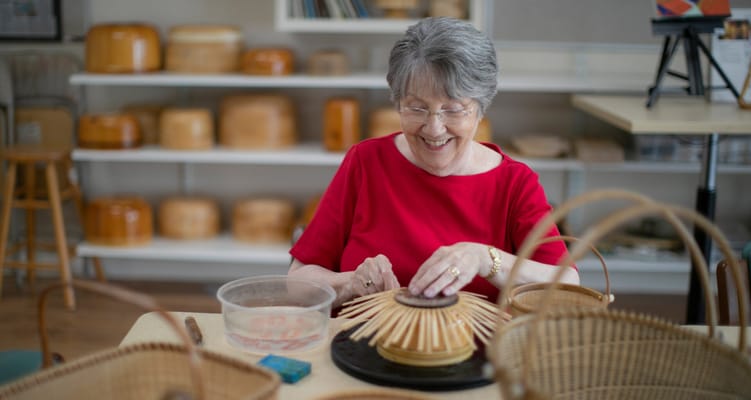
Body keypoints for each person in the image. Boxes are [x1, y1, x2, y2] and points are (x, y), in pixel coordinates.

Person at [288, 17, 579, 309]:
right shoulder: (366, 162)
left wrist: (484, 259)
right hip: (363, 350)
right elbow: (297, 283)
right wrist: (350, 283)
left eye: (453, 110)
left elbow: (568, 285)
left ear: (480, 109)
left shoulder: (514, 183)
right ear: (398, 103)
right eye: (417, 108)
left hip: (474, 353)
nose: (434, 128)